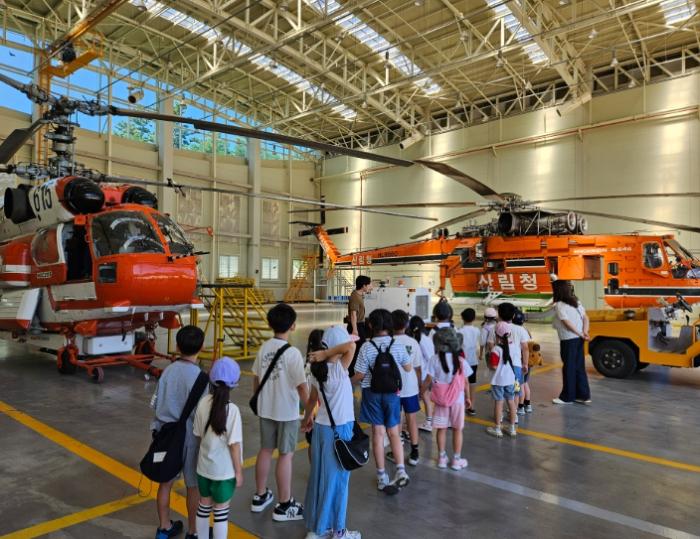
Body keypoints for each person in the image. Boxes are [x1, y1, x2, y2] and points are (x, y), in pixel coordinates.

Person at [251, 303, 309, 521]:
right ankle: (285, 504)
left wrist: (260, 401)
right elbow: (302, 387)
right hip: (287, 412)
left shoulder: (264, 348)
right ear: (293, 326)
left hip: (266, 409)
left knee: (265, 450)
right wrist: (310, 412)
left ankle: (260, 495)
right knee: (286, 454)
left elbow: (256, 379)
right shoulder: (293, 353)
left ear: (269, 324)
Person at [302, 325, 360, 539]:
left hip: (321, 429)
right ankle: (338, 531)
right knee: (338, 481)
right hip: (339, 430)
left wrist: (307, 419)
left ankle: (318, 527)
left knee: (319, 478)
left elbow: (311, 399)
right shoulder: (338, 369)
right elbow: (351, 346)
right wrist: (327, 353)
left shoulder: (317, 370)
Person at [150, 325, 206, 539]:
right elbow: (203, 414)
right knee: (193, 486)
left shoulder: (167, 372)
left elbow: (155, 404)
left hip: (166, 436)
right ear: (201, 347)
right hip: (191, 438)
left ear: (177, 346)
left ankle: (164, 527)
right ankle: (193, 531)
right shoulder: (200, 378)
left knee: (165, 482)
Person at [353, 308, 412, 495]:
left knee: (378, 433)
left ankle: (381, 476)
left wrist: (346, 382)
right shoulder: (397, 345)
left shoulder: (366, 347)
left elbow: (360, 375)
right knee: (394, 432)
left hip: (371, 393)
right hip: (392, 394)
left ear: (371, 325)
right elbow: (408, 367)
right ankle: (401, 470)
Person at [193, 357, 243, 539]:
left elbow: (198, 435)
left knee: (203, 506)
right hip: (224, 473)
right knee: (221, 512)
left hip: (203, 469)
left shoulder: (203, 403)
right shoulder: (233, 411)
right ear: (233, 385)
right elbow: (234, 446)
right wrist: (238, 472)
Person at [423, 323, 472, 470]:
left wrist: (421, 391)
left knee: (441, 429)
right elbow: (466, 382)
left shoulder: (434, 359)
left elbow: (428, 379)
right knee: (457, 429)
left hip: (441, 400)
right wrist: (468, 398)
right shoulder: (461, 361)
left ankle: (442, 458)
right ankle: (456, 460)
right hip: (458, 400)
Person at [387, 309, 422, 467]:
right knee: (411, 419)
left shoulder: (388, 342)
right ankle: (415, 452)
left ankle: (397, 451)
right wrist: (420, 386)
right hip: (410, 386)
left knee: (396, 419)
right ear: (407, 324)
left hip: (392, 387)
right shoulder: (413, 342)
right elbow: (418, 368)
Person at [551, 280, 592, 405]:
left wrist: (580, 333)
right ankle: (583, 396)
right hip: (579, 339)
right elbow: (585, 318)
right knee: (579, 367)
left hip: (569, 340)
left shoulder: (559, 305)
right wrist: (584, 332)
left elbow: (567, 323)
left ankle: (567, 397)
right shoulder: (576, 302)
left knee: (568, 368)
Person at [485, 322, 518, 438]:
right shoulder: (514, 346)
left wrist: (489, 363)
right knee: (511, 402)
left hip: (498, 380)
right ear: (509, 334)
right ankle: (512, 428)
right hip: (510, 379)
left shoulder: (496, 349)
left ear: (496, 335)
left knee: (499, 403)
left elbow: (494, 366)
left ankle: (497, 428)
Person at [497, 302, 528, 423]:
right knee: (515, 391)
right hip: (516, 365)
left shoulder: (497, 327)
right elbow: (525, 348)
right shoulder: (520, 329)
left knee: (500, 390)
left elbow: (491, 345)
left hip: (501, 365)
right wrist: (525, 363)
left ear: (499, 314)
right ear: (513, 315)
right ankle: (514, 415)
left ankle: (499, 415)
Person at [409, 316, 434, 433]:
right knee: (423, 397)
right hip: (419, 375)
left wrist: (429, 378)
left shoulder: (424, 340)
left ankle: (429, 423)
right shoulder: (417, 339)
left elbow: (430, 358)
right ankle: (424, 421)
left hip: (424, 375)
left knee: (425, 397)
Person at [458, 308, 481, 416]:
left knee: (460, 383)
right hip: (473, 361)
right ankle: (471, 406)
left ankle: (460, 405)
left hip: (462, 361)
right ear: (474, 318)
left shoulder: (459, 331)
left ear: (462, 318)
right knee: (472, 383)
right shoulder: (477, 330)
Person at [512, 310, 534, 414]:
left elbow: (524, 348)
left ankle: (520, 406)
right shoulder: (525, 330)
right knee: (525, 383)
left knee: (519, 385)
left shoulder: (513, 330)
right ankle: (528, 404)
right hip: (528, 361)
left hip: (520, 362)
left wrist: (523, 363)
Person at [348, 275, 372, 340]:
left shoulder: (359, 294)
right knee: (360, 344)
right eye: (369, 285)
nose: (370, 287)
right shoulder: (355, 297)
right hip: (356, 325)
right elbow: (353, 314)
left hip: (360, 324)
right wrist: (355, 329)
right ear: (364, 286)